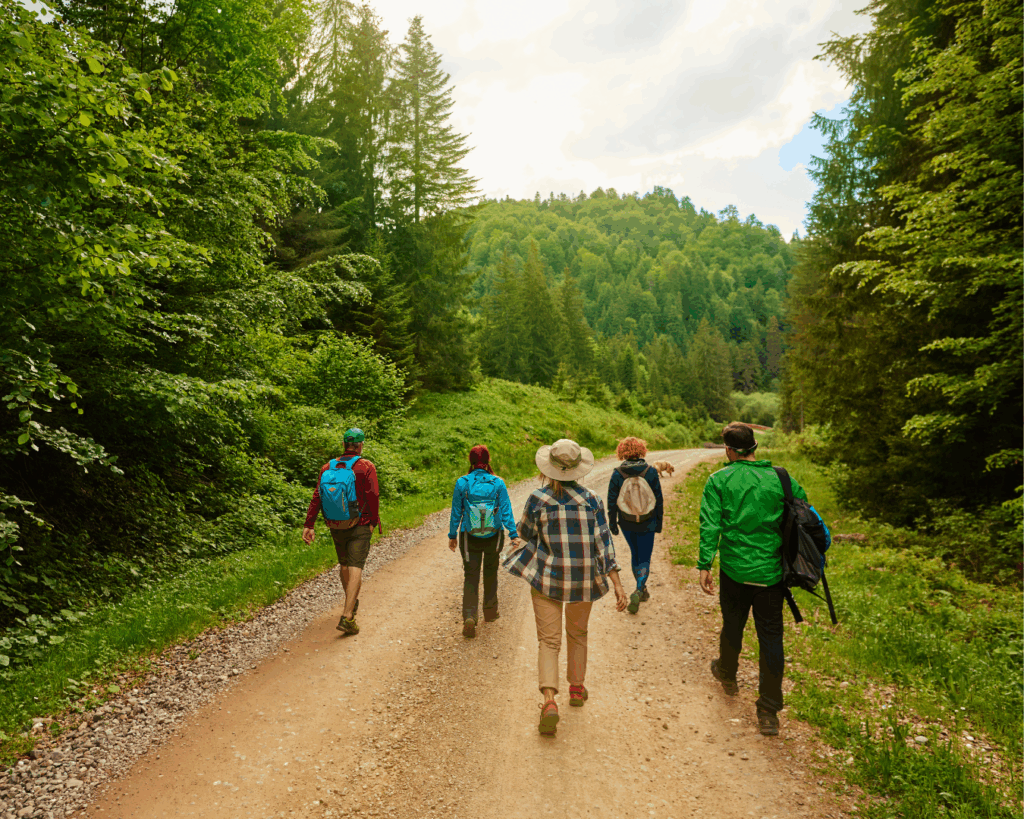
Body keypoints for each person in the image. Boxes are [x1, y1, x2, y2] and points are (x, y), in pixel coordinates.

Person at [504, 438, 628, 737]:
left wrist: (517, 549)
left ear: (548, 469)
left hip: (547, 579)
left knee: (549, 641)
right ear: (578, 469)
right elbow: (603, 545)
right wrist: (618, 583)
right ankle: (576, 687)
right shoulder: (593, 501)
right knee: (578, 633)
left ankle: (549, 701)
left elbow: (523, 536)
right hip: (583, 580)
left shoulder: (538, 499)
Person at [697, 422, 813, 736]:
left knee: (733, 624)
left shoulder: (719, 480)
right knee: (771, 638)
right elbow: (805, 512)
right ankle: (769, 711)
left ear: (728, 449)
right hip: (771, 574)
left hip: (734, 570)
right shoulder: (781, 478)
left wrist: (704, 564)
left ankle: (728, 674)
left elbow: (711, 525)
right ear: (755, 448)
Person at [302, 428, 381, 635]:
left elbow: (317, 496)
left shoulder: (327, 467)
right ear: (361, 445)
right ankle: (347, 617)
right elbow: (373, 495)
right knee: (356, 566)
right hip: (360, 523)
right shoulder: (366, 466)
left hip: (335, 523)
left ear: (344, 444)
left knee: (344, 564)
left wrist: (309, 524)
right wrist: (373, 522)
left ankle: (350, 603)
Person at [448, 445, 521, 638]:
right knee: (490, 572)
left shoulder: (462, 483)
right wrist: (513, 534)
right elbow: (506, 510)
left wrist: (452, 535)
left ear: (470, 461)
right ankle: (490, 612)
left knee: (470, 576)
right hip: (493, 535)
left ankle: (470, 616)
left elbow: (456, 511)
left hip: (468, 535)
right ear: (488, 460)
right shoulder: (498, 483)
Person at [606, 436, 664, 615]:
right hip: (648, 520)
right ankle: (639, 588)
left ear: (622, 452)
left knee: (635, 554)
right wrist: (659, 523)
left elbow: (612, 501)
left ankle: (641, 588)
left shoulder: (618, 473)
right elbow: (659, 500)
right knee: (645, 557)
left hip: (626, 521)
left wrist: (613, 523)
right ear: (641, 450)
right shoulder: (651, 471)